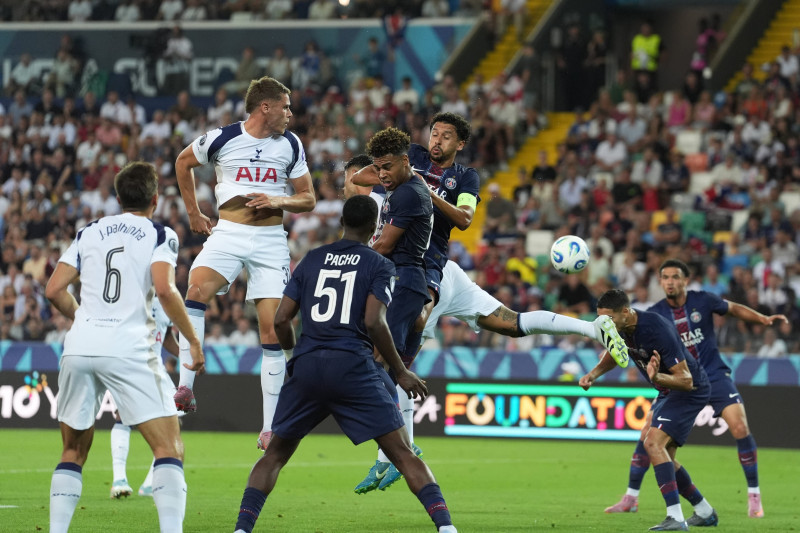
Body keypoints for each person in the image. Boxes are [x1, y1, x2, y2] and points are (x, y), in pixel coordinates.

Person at [349, 116, 629, 491]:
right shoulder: (409, 156)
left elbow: (465, 218)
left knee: (467, 329)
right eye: (434, 133)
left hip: (430, 268)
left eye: (446, 136)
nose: (437, 140)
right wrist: (391, 174)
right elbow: (364, 175)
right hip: (430, 271)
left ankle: (592, 329)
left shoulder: (465, 178)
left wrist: (422, 189)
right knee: (408, 359)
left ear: (460, 144)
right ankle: (395, 455)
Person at [232, 195, 457, 533]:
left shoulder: (312, 259)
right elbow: (373, 321)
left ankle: (241, 529)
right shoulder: (379, 264)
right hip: (353, 367)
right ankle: (445, 527)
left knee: (274, 455)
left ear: (341, 223)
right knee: (403, 454)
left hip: (309, 365)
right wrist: (400, 371)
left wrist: (294, 358)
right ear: (374, 227)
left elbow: (280, 320)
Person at [45, 161, 205, 533]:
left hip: (80, 346)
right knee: (169, 449)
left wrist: (85, 317)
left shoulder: (89, 231)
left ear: (118, 198)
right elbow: (164, 289)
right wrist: (193, 341)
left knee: (72, 452)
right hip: (130, 347)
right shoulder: (160, 233)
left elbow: (53, 290)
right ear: (155, 198)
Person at [173, 76, 315, 452]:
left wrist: (277, 200)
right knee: (195, 289)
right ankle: (185, 386)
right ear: (265, 107)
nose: (290, 113)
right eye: (285, 107)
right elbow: (183, 162)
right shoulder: (222, 138)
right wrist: (193, 212)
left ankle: (269, 428)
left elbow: (308, 198)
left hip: (270, 242)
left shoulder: (291, 144)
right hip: (229, 233)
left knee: (272, 329)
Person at [603, 259, 788, 518]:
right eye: (665, 277)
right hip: (678, 383)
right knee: (648, 434)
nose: (670, 282)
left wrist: (762, 318)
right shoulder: (655, 314)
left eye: (675, 277)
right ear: (660, 282)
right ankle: (631, 497)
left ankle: (754, 495)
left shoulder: (703, 300)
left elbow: (733, 309)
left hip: (713, 374)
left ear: (685, 280)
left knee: (739, 427)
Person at [581, 289, 716, 531]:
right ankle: (704, 511)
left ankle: (675, 518)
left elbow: (686, 380)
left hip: (689, 390)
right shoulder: (618, 328)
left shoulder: (656, 329)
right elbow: (615, 352)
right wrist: (593, 374)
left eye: (608, 319)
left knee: (652, 443)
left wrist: (657, 377)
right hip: (667, 390)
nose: (604, 325)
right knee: (664, 456)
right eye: (600, 319)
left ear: (625, 312)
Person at [110, 295, 181, 499]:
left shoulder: (167, 297)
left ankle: (150, 483)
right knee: (123, 415)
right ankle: (119, 480)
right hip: (130, 363)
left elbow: (166, 336)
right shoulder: (133, 293)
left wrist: (186, 354)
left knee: (173, 420)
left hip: (155, 367)